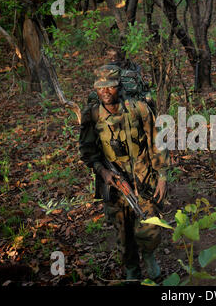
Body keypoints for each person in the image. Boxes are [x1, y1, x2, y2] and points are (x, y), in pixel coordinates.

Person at [79, 64, 170, 280]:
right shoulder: (92, 115)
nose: (105, 92)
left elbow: (157, 142)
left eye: (110, 87)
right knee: (122, 231)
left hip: (143, 176)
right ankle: (131, 269)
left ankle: (149, 257)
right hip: (114, 182)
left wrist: (163, 176)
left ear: (118, 86)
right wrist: (103, 173)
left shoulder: (138, 109)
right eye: (100, 88)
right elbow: (88, 153)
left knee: (149, 225)